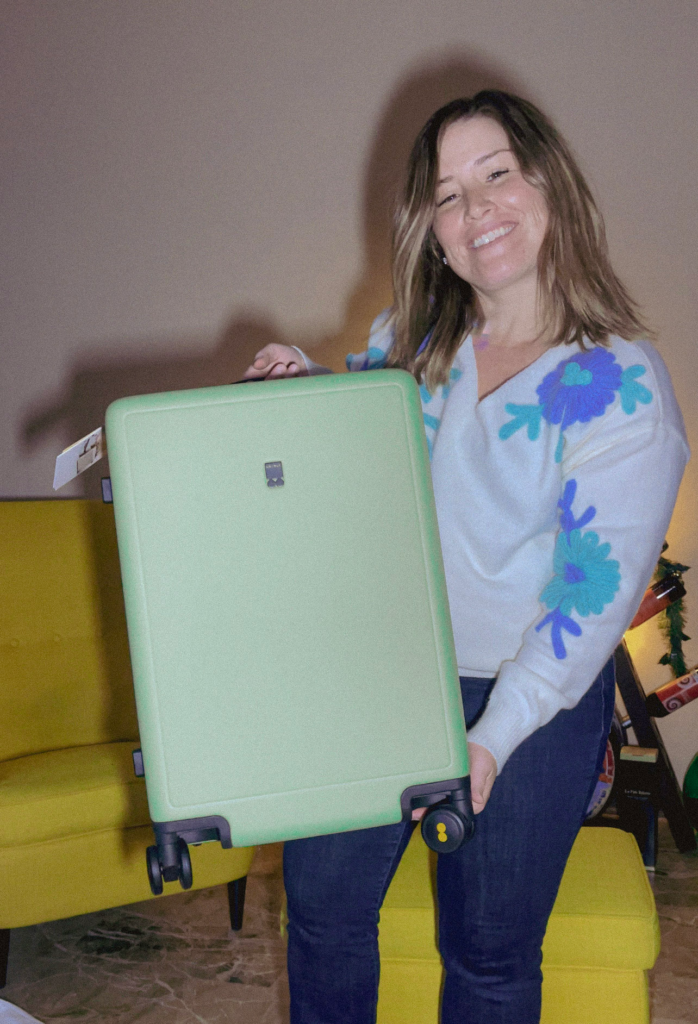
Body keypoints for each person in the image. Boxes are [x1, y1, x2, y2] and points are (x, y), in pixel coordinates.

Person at [243, 91, 689, 1024]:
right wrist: (303, 392)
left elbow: (589, 604)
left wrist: (493, 733)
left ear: (549, 188)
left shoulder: (619, 385)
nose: (474, 209)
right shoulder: (407, 341)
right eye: (447, 195)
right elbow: (363, 452)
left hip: (529, 700)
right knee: (321, 914)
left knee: (488, 956)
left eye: (495, 175)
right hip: (386, 674)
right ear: (431, 231)